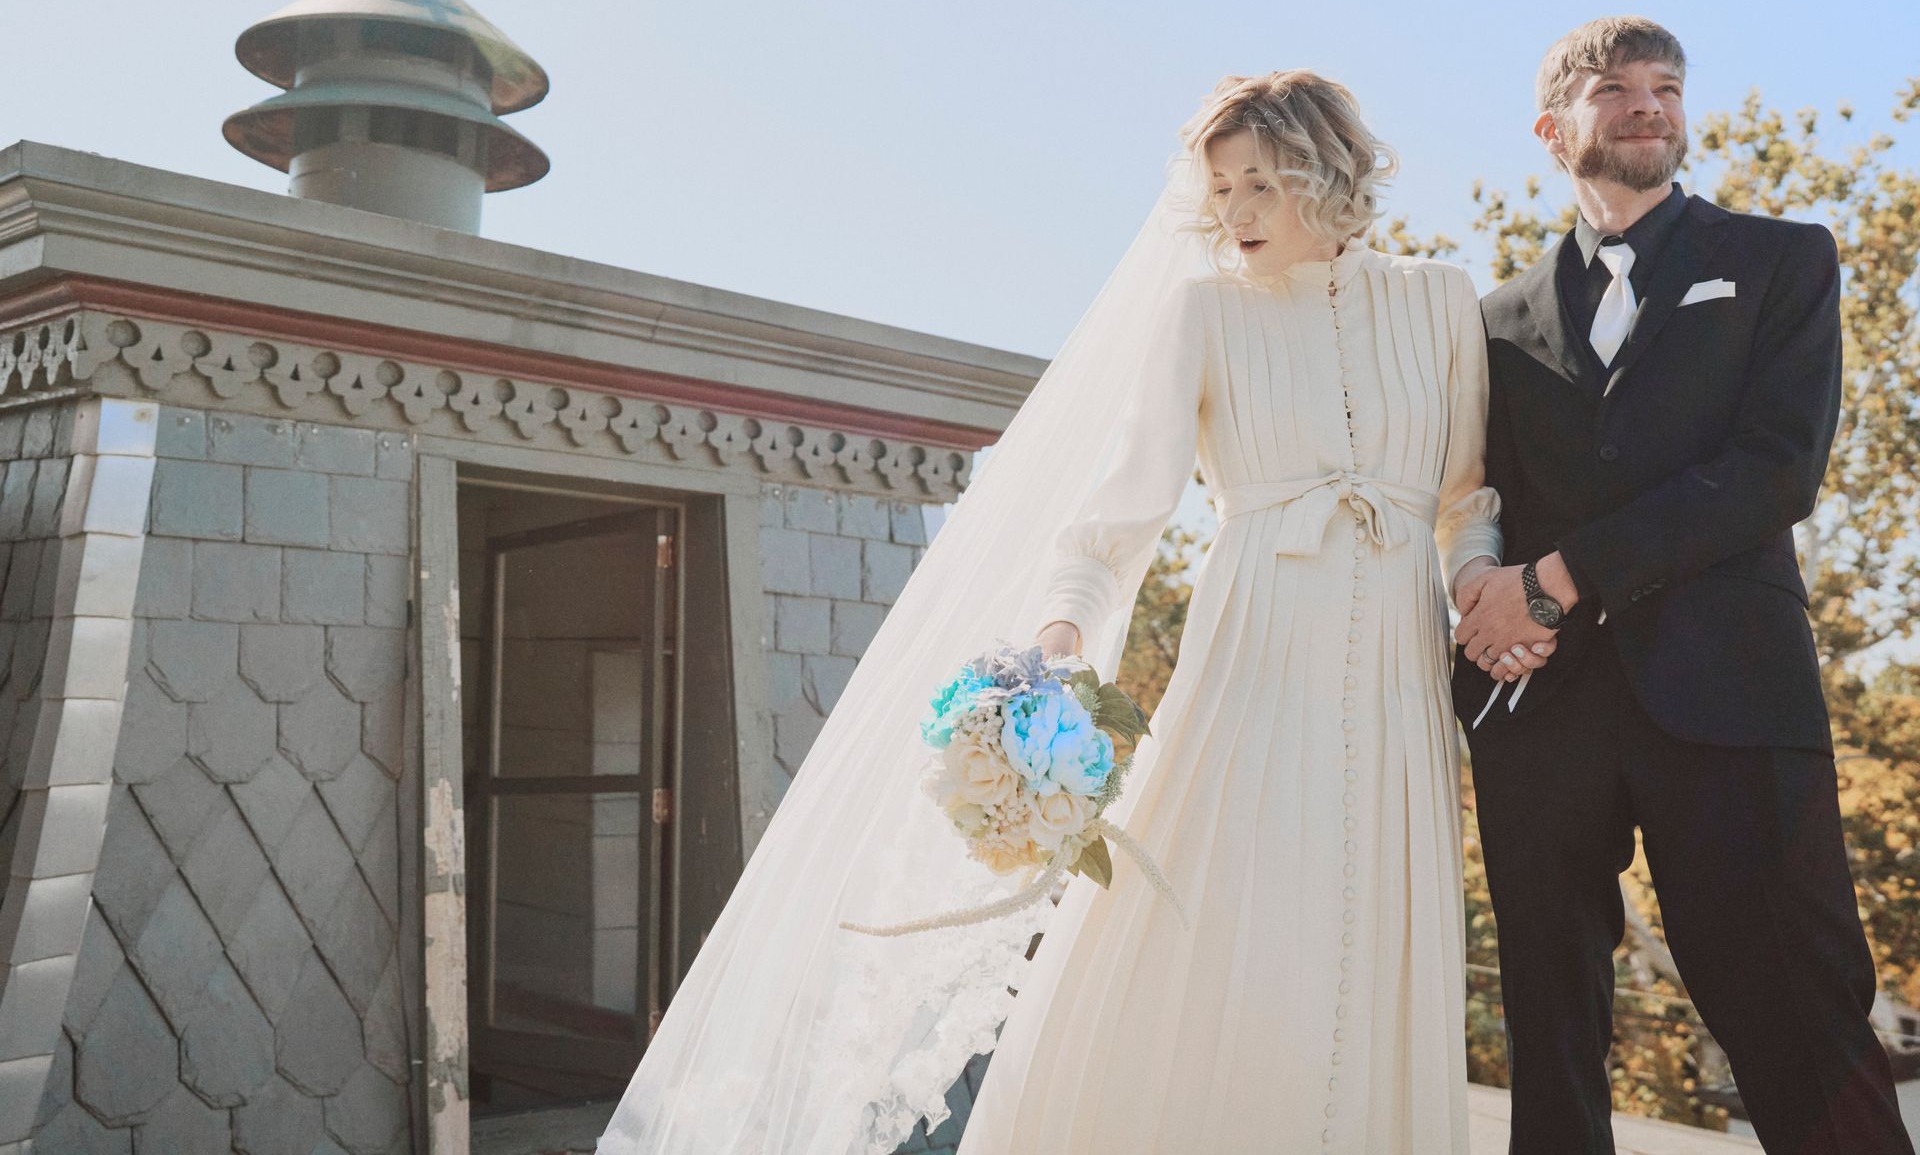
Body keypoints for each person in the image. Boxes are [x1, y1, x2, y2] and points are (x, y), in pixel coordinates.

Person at [597, 71, 1510, 1155]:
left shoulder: (1443, 300)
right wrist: (1062, 631)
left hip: (1399, 680)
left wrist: (1475, 583)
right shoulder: (1203, 311)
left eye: (1263, 182)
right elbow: (1122, 506)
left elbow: (1467, 498)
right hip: (1252, 656)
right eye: (1222, 188)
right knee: (1206, 927)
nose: (1238, 211)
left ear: (1327, 171)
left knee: (1364, 941)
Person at [1451, 15, 1914, 1155]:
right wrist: (1489, 601)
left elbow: (1776, 469)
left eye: (1667, 86)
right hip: (1541, 707)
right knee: (1550, 1025)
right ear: (1554, 129)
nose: (1651, 104)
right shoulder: (1491, 319)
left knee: (1799, 1005)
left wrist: (1559, 579)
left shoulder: (1781, 258)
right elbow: (1481, 494)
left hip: (1733, 693)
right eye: (1617, 88)